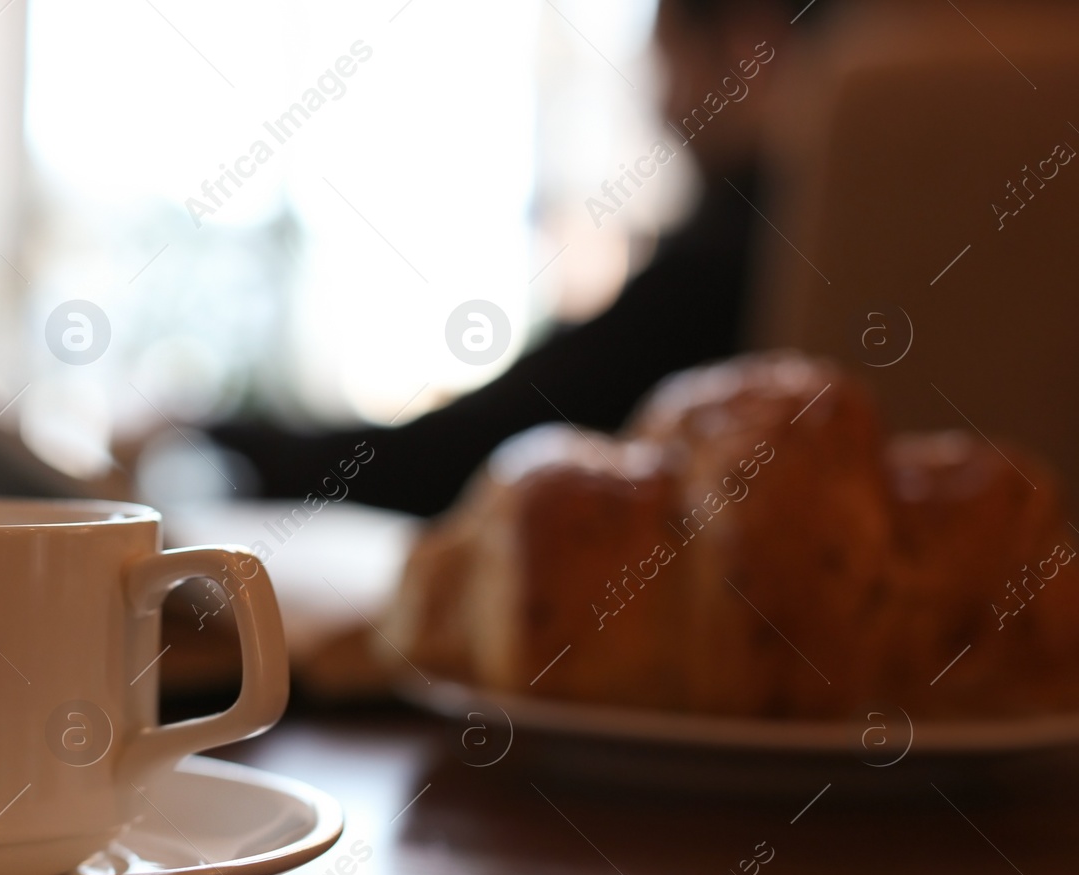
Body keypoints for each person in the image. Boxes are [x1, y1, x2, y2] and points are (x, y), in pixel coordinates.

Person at [206, 0, 837, 517]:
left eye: (667, 64)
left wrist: (225, 440)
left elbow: (466, 455)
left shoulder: (720, 266)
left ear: (749, 48)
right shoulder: (796, 248)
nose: (665, 108)